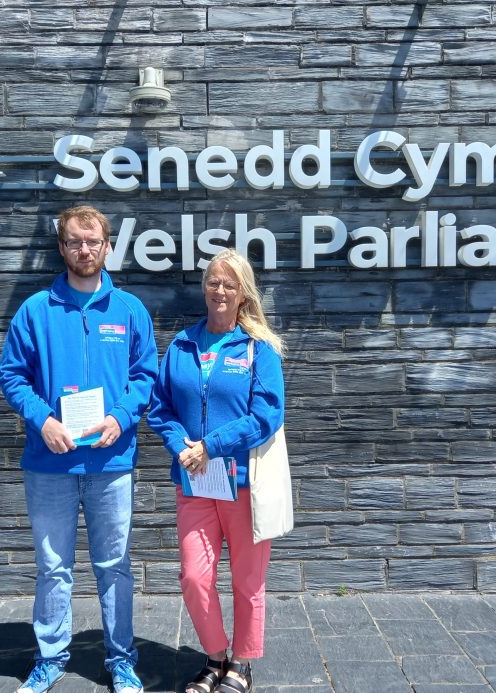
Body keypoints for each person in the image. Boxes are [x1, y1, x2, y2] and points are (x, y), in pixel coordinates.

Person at [0, 205, 157, 693]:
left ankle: (121, 660)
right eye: (74, 242)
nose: (84, 250)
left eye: (92, 242)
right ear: (62, 246)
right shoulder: (35, 310)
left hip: (111, 461)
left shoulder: (129, 310)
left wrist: (121, 417)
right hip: (50, 464)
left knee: (115, 566)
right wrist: (42, 419)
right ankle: (50, 658)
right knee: (52, 567)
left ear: (108, 246)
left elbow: (146, 376)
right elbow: (11, 375)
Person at [147, 249, 286, 693]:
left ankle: (241, 664)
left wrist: (212, 445)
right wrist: (180, 446)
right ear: (203, 288)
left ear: (243, 293)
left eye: (229, 283)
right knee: (193, 577)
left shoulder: (258, 348)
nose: (220, 290)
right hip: (195, 483)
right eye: (212, 282)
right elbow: (159, 405)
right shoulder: (183, 345)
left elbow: (267, 414)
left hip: (244, 483)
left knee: (248, 582)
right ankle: (215, 656)